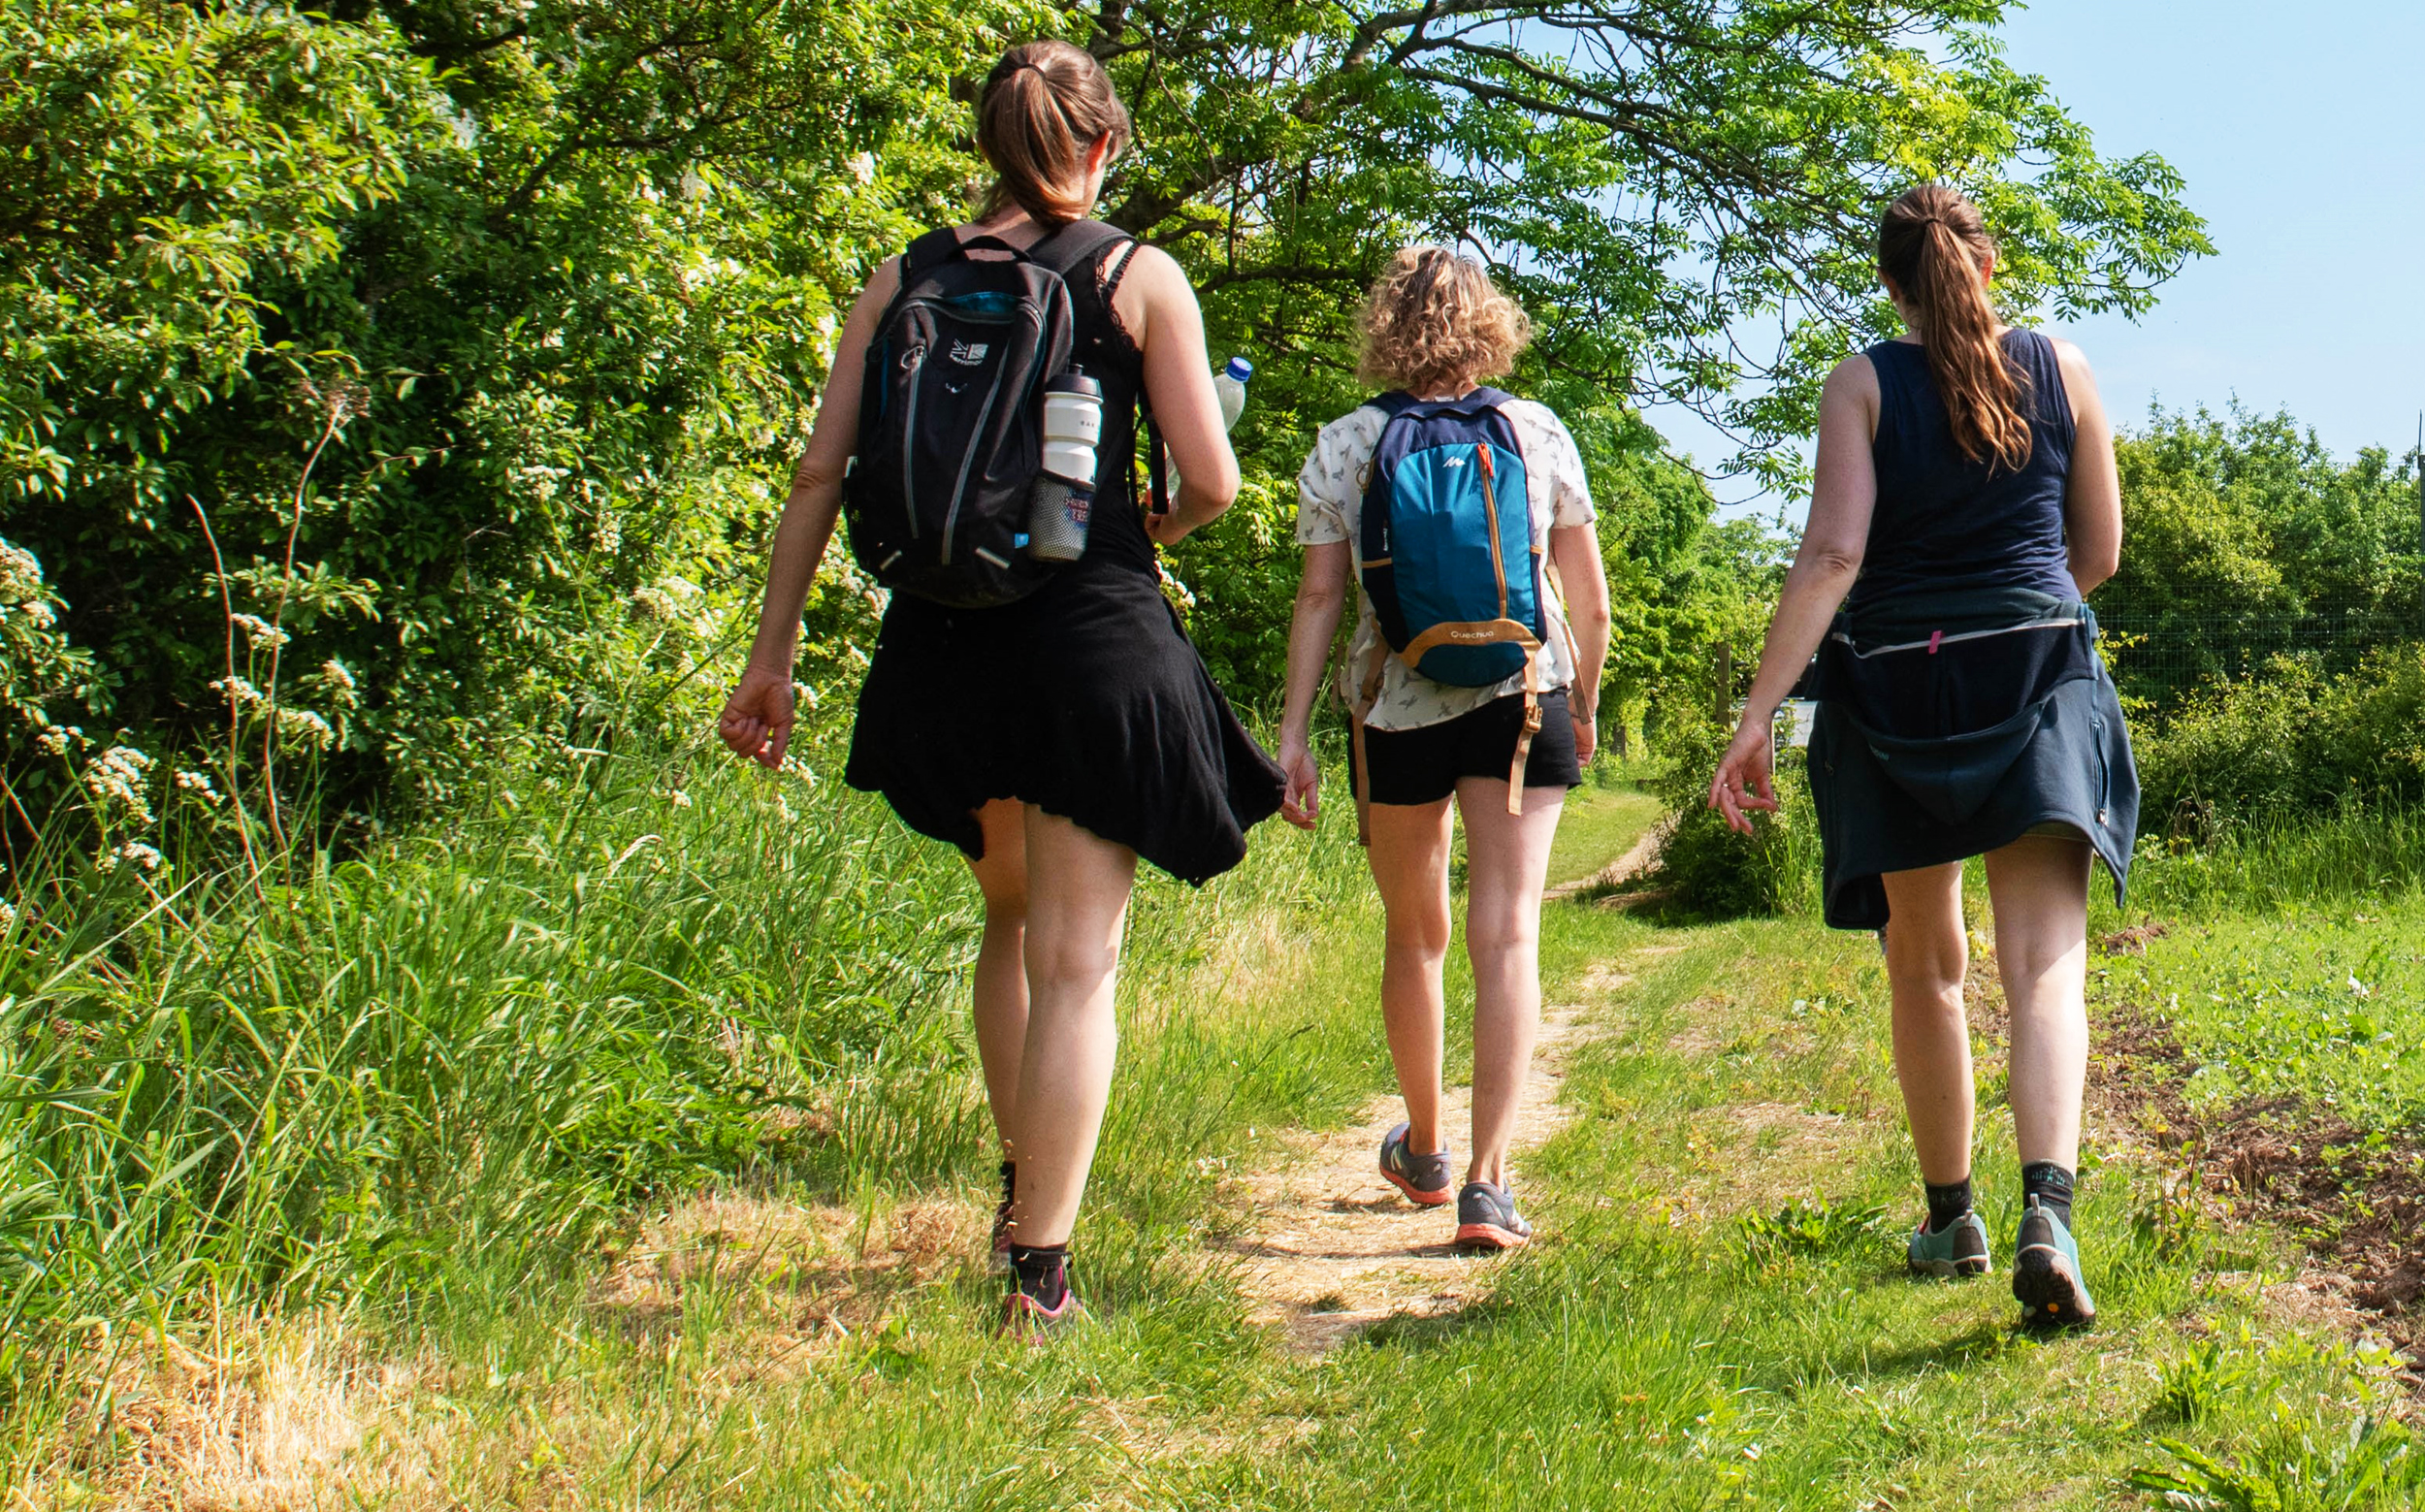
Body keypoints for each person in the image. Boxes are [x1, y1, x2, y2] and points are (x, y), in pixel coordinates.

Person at [717, 40, 1284, 1336]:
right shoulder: (1140, 278)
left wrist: (773, 657)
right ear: (1101, 145)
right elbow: (1212, 482)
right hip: (1088, 636)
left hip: (943, 641)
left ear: (991, 144)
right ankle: (1041, 1269)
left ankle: (1019, 1196)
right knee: (1080, 959)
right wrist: (1145, 520)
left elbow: (820, 477)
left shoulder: (903, 276)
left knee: (1009, 920)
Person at [1706, 184, 2136, 1330]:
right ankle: (2048, 1206)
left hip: (1894, 693)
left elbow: (1835, 549)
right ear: (1985, 268)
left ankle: (1951, 1216)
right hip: (2037, 671)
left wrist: (1759, 712)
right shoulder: (2062, 366)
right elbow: (2096, 551)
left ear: (1891, 285)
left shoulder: (1859, 383)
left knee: (1926, 962)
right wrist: (2018, 603)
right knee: (2040, 963)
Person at [1276, 247, 1612, 1250]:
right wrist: (1581, 700)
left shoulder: (1346, 442)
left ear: (1384, 326)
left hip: (1392, 707)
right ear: (1490, 325)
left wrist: (1293, 731)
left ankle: (1422, 1144)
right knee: (1506, 933)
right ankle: (1487, 1182)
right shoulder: (1536, 429)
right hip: (1524, 699)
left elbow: (1319, 598)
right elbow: (1588, 599)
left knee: (1415, 932)